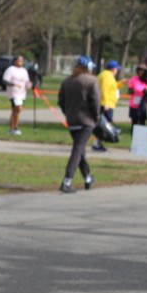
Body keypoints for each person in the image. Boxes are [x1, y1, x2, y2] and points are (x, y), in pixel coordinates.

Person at [58, 56, 101, 193]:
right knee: (77, 150)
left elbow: (61, 101)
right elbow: (95, 101)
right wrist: (96, 117)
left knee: (80, 150)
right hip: (86, 121)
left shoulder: (67, 81)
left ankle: (87, 178)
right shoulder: (92, 80)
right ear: (87, 68)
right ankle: (67, 181)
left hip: (72, 121)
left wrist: (68, 113)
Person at [93, 60, 120, 152]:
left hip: (106, 103)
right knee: (104, 125)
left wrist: (121, 83)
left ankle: (98, 143)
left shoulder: (105, 75)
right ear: (113, 69)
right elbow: (104, 89)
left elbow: (112, 87)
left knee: (103, 124)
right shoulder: (107, 76)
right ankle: (97, 144)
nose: (117, 71)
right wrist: (106, 103)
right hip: (106, 104)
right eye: (116, 69)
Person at [2, 55, 32, 135]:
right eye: (19, 60)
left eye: (22, 60)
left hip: (22, 94)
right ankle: (14, 128)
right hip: (14, 93)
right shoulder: (10, 70)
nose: (21, 62)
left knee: (16, 111)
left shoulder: (24, 71)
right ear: (15, 61)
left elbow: (27, 81)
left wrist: (29, 85)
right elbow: (5, 81)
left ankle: (13, 127)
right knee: (18, 109)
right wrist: (13, 84)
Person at [127, 64, 147, 131]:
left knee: (142, 122)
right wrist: (132, 91)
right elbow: (129, 91)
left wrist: (146, 91)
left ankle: (142, 136)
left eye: (142, 70)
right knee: (134, 123)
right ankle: (134, 136)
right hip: (134, 104)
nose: (140, 72)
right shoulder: (133, 79)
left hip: (144, 105)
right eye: (138, 70)